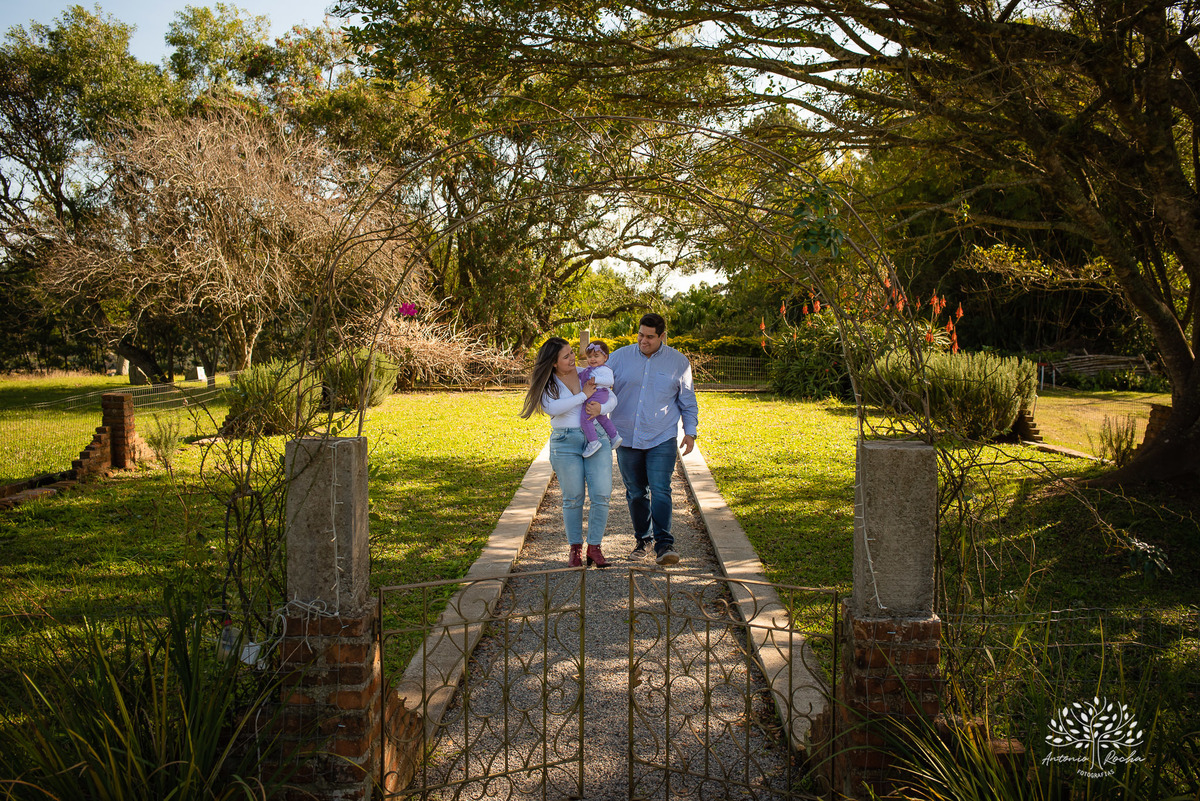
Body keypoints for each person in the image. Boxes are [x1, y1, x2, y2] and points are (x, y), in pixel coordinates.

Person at [600, 313, 698, 567]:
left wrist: (690, 432)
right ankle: (643, 541)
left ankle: (664, 544)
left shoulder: (679, 362)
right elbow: (595, 384)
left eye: (650, 337)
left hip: (661, 435)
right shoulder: (619, 357)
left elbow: (688, 401)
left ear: (663, 336)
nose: (644, 340)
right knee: (634, 493)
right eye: (641, 335)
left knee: (661, 489)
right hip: (627, 437)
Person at [521, 337, 617, 568]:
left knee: (602, 495)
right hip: (565, 442)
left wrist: (602, 408)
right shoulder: (549, 383)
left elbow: (611, 396)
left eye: (573, 352)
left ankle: (595, 548)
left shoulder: (588, 372)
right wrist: (584, 396)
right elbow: (551, 408)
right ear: (553, 362)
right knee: (573, 498)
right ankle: (575, 549)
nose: (573, 357)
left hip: (596, 436)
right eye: (566, 356)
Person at [578, 341, 623, 458]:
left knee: (586, 418)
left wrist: (596, 379)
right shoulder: (590, 369)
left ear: (605, 357)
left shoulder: (604, 369)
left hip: (597, 394)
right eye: (589, 356)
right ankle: (614, 436)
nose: (592, 359)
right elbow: (581, 375)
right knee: (602, 418)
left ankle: (593, 442)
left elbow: (610, 381)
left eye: (596, 356)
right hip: (598, 394)